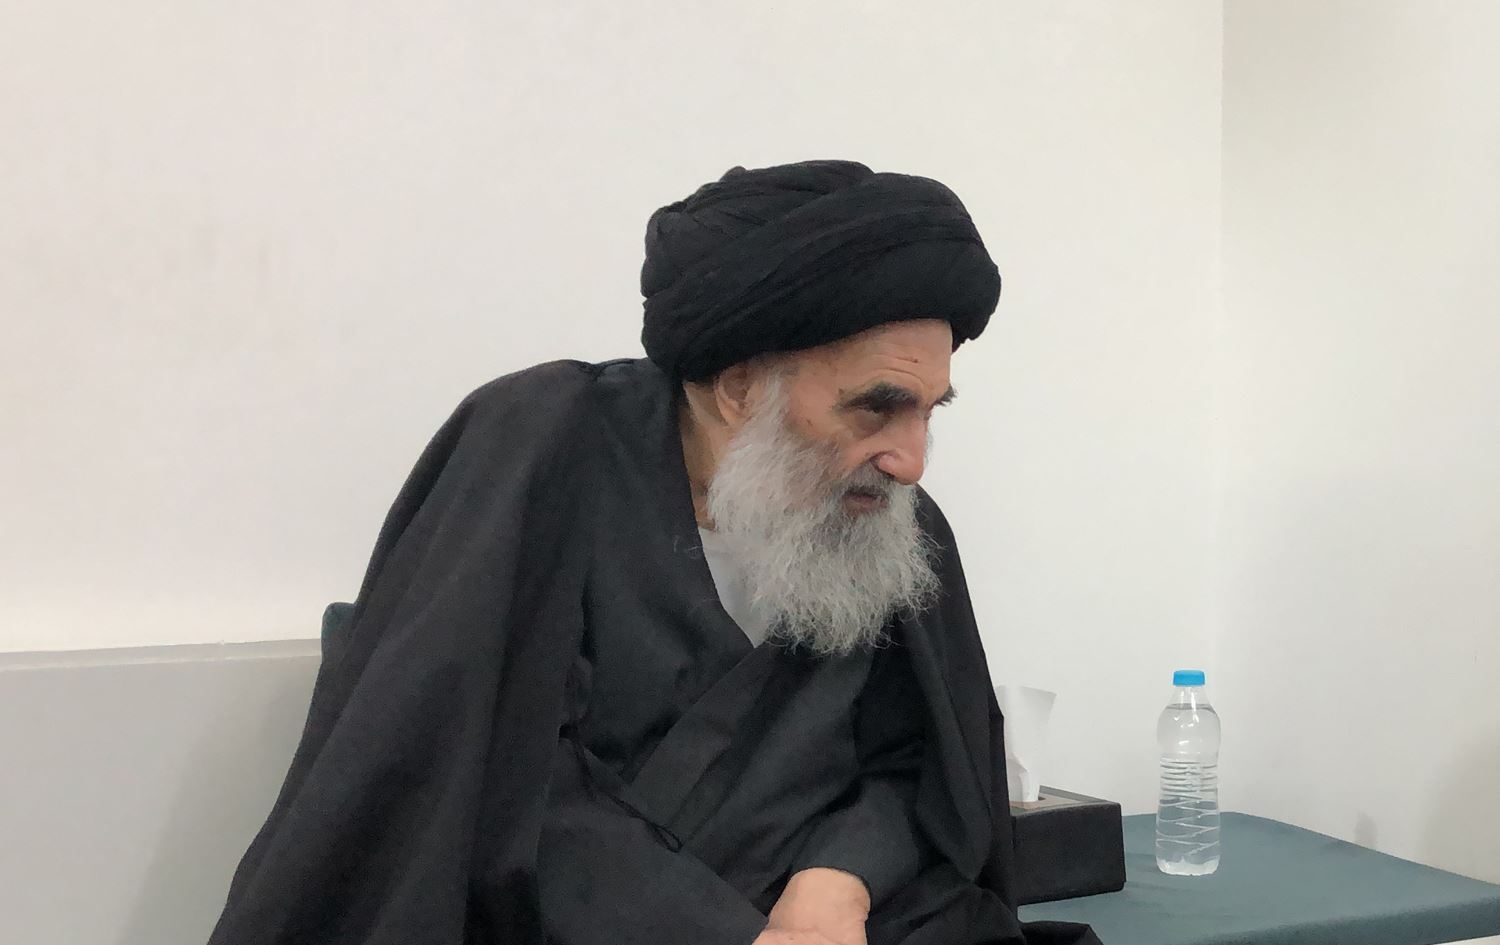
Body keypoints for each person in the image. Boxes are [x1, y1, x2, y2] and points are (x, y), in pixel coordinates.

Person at [208, 160, 1100, 945]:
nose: (911, 459)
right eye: (877, 406)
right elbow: (489, 777)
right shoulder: (543, 446)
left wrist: (840, 877)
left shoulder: (888, 517)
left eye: (929, 412)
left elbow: (918, 766)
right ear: (739, 387)